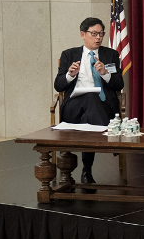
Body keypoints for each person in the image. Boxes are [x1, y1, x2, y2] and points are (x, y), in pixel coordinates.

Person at [54, 17, 124, 186]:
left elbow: (119, 85)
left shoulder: (110, 55)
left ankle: (86, 170)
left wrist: (105, 73)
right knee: (89, 95)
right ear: (82, 34)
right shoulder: (69, 55)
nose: (98, 37)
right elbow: (58, 86)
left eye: (101, 34)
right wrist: (70, 75)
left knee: (88, 115)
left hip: (103, 106)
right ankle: (109, 139)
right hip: (74, 107)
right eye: (94, 34)